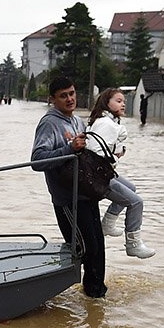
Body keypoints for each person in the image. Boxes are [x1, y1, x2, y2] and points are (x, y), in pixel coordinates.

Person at [32, 77, 107, 298]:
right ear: (52, 99)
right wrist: (68, 148)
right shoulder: (49, 123)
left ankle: (96, 297)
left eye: (72, 93)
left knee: (99, 247)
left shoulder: (77, 121)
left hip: (86, 193)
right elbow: (37, 160)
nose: (70, 99)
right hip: (67, 199)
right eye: (63, 95)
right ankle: (73, 292)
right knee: (85, 249)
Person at [87, 88, 155, 259]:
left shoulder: (105, 121)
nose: (123, 103)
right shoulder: (107, 124)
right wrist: (114, 157)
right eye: (118, 101)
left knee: (131, 188)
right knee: (136, 202)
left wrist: (115, 151)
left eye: (123, 101)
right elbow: (95, 153)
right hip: (97, 176)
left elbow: (100, 146)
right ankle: (133, 244)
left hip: (99, 172)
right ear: (106, 103)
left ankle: (108, 223)